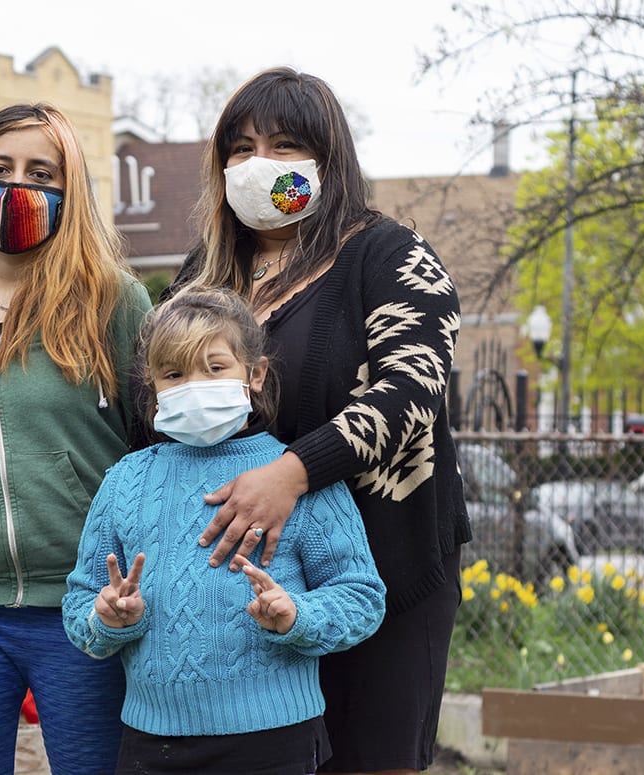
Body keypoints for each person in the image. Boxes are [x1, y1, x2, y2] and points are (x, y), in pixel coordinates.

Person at [167, 67, 472, 774]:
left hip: (388, 570)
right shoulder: (202, 276)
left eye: (282, 144)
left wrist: (293, 473)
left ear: (328, 160)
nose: (257, 164)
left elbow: (412, 387)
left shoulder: (389, 254)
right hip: (251, 589)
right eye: (239, 148)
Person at [0, 102, 153, 775]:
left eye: (41, 172)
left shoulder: (116, 303)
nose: (17, 186)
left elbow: (156, 448)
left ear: (69, 194)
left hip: (84, 602)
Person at [63, 288, 386, 775]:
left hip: (276, 739)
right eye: (174, 373)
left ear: (254, 374)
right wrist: (108, 618)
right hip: (152, 744)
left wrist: (298, 615)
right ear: (152, 389)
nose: (195, 384)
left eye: (215, 368)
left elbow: (363, 596)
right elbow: (79, 608)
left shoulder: (295, 477)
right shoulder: (124, 481)